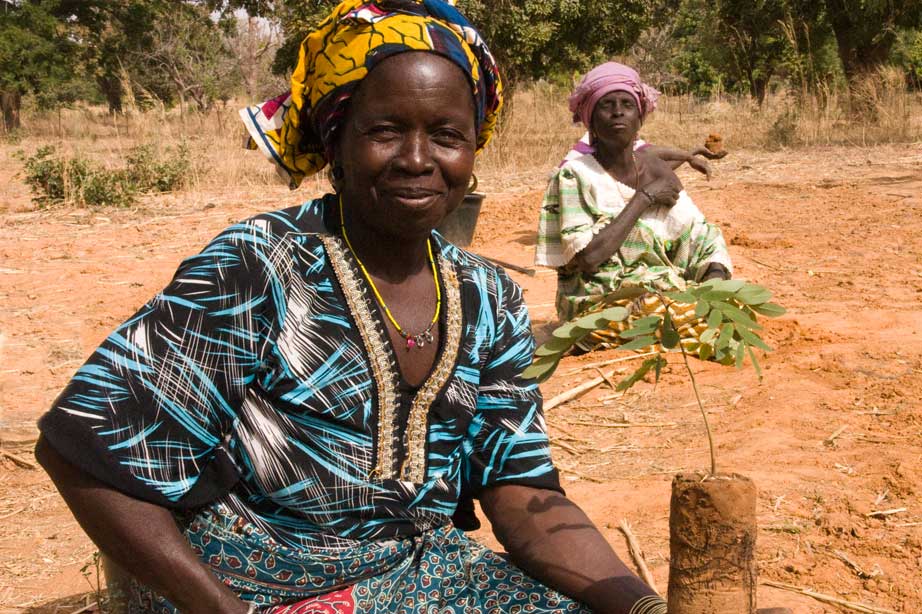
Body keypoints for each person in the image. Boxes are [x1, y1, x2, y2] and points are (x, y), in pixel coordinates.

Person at [36, 2, 669, 613]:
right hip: (242, 588)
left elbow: (520, 485)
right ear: (336, 142)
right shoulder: (259, 265)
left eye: (447, 135)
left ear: (474, 150)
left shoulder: (487, 296)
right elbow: (81, 448)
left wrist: (639, 604)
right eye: (385, 131)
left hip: (416, 577)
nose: (418, 160)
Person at [535, 62, 733, 353]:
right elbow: (589, 258)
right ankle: (686, 323)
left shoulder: (657, 171)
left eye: (627, 104)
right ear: (590, 121)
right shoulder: (574, 176)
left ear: (639, 118)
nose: (618, 112)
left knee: (727, 304)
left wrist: (712, 288)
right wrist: (644, 198)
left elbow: (700, 236)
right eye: (606, 105)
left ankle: (695, 315)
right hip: (598, 305)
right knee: (657, 311)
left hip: (665, 293)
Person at [560, 132, 728, 180]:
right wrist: (690, 155)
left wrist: (692, 153)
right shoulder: (594, 143)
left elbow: (656, 163)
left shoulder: (629, 139)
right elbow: (649, 160)